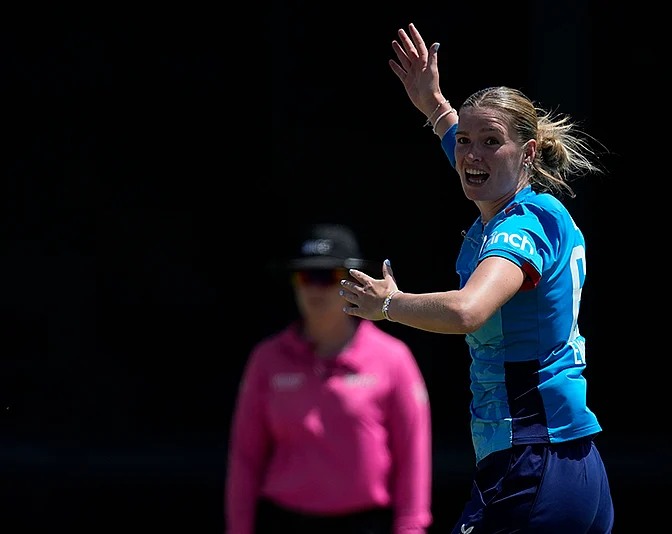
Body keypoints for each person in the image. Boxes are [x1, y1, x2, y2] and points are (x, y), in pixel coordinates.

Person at [339, 24, 614, 533]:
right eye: (465, 141)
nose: (471, 155)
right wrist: (434, 104)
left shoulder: (522, 223)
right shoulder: (517, 205)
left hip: (534, 459)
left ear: (528, 153)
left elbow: (470, 311)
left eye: (491, 142)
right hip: (568, 462)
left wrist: (388, 304)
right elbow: (469, 153)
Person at [225, 222, 433, 534]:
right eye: (305, 276)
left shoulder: (393, 358)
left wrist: (410, 528)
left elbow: (413, 456)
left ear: (353, 283)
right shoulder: (266, 359)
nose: (315, 288)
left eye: (327, 276)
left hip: (365, 522)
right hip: (283, 521)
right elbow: (245, 457)